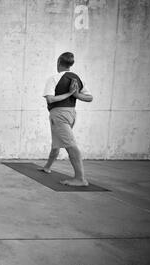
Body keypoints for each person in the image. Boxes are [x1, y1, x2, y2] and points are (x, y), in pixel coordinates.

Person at [40, 52, 93, 186]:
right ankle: (47, 167)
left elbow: (50, 99)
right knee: (57, 141)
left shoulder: (54, 78)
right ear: (70, 64)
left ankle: (80, 178)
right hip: (71, 114)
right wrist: (76, 95)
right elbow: (89, 97)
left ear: (58, 62)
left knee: (70, 145)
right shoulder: (77, 78)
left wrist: (70, 93)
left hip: (59, 114)